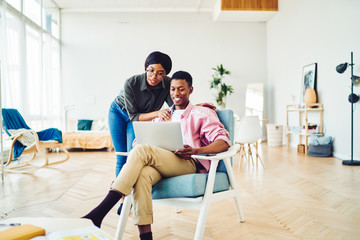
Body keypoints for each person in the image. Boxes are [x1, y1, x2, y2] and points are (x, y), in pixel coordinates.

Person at [83, 71, 230, 240]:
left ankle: (101, 210)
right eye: (173, 89)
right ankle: (146, 237)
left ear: (191, 89)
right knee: (142, 175)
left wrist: (196, 151)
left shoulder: (202, 113)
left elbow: (223, 141)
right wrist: (145, 141)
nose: (176, 94)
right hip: (161, 163)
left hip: (188, 163)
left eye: (181, 89)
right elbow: (137, 143)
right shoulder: (163, 115)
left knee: (141, 151)